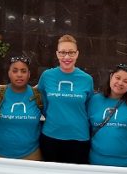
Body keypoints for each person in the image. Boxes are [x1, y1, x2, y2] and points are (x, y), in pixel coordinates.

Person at [37, 34, 94, 164]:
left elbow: (88, 107)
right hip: (51, 136)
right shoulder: (47, 76)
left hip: (79, 138)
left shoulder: (87, 79)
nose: (67, 57)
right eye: (62, 52)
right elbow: (41, 102)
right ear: (57, 54)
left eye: (71, 52)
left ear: (77, 54)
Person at [0, 56, 42, 160]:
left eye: (23, 71)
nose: (19, 75)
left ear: (29, 74)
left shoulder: (38, 96)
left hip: (31, 156)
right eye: (15, 71)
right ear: (9, 73)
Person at [88, 64, 127, 167]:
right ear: (111, 77)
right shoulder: (94, 100)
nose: (120, 83)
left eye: (126, 81)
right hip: (96, 164)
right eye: (118, 78)